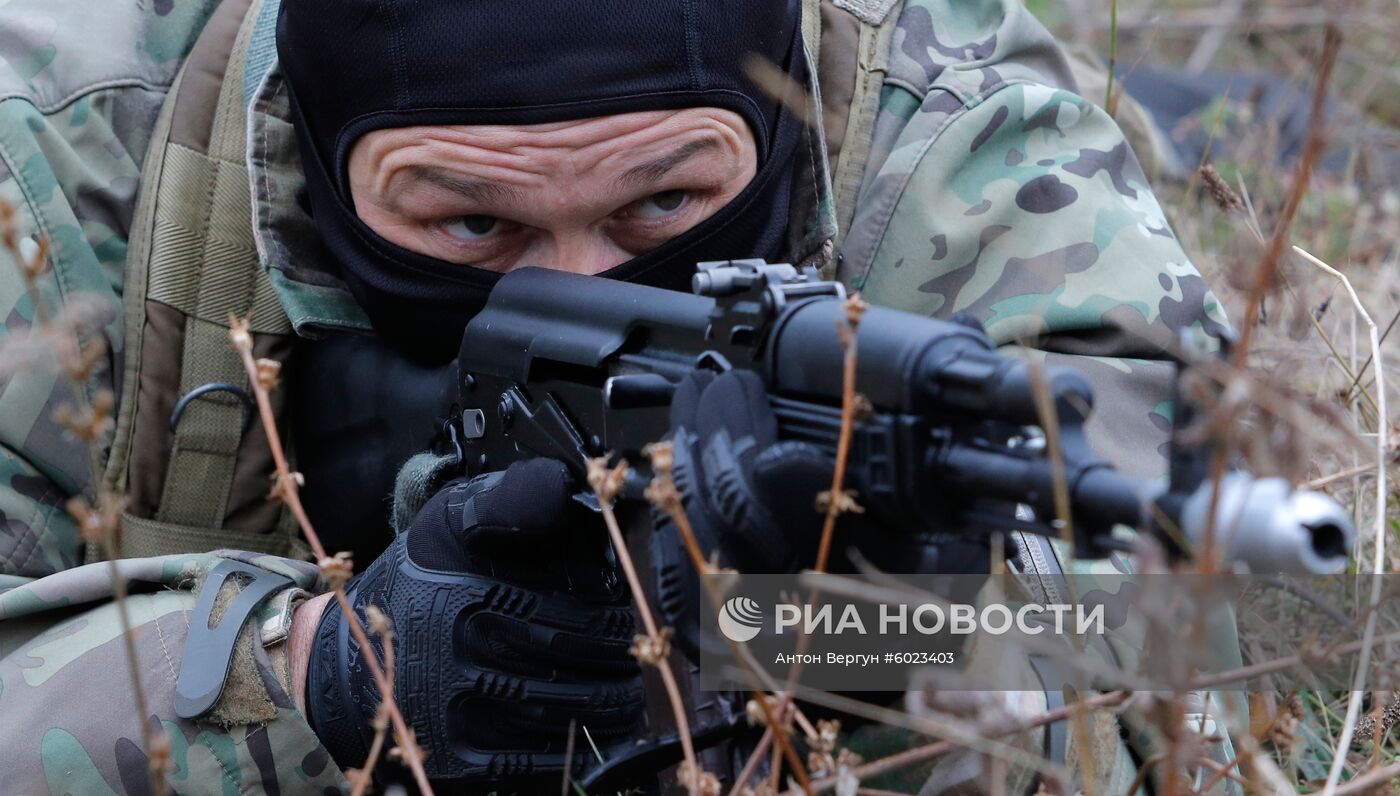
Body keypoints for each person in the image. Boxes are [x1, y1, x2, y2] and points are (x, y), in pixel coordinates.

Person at [0, 0, 1237, 792]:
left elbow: (1211, 659)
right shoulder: (53, 164)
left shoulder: (962, 139)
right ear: (317, 159)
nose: (578, 288)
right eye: (470, 220)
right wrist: (323, 674)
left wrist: (811, 632)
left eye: (662, 205)